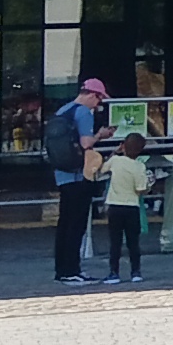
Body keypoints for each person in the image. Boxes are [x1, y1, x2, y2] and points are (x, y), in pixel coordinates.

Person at [48, 77, 106, 286]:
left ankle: (62, 270)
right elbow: (86, 143)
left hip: (62, 173)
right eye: (99, 99)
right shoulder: (83, 113)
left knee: (65, 223)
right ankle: (72, 270)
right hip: (79, 174)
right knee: (77, 224)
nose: (98, 104)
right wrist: (101, 135)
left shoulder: (63, 110)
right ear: (92, 95)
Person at [95, 126, 151, 281]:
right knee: (133, 242)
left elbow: (102, 168)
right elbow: (141, 189)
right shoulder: (139, 166)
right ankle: (136, 272)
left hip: (114, 206)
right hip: (132, 207)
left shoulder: (115, 161)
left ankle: (114, 273)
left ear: (123, 146)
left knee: (115, 242)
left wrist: (115, 151)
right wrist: (148, 187)